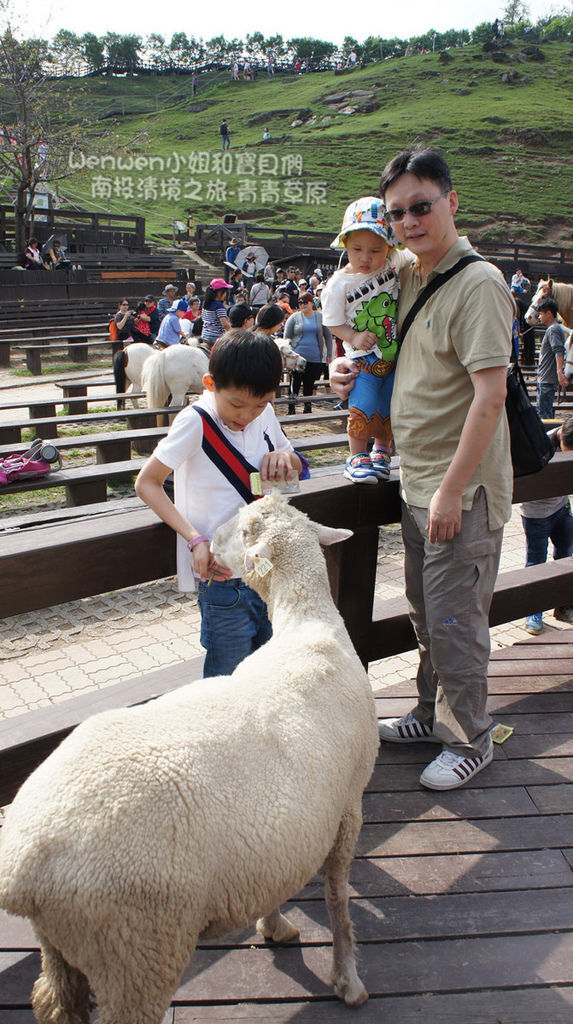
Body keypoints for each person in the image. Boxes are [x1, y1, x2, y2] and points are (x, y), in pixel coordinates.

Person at [330, 147, 514, 790]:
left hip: (458, 491)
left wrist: (452, 492)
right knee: (426, 611)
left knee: (456, 616)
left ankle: (470, 736)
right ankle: (431, 712)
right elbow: (361, 304)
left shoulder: (479, 284)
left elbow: (490, 396)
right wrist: (345, 360)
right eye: (397, 212)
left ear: (452, 203)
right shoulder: (406, 273)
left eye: (421, 207)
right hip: (415, 479)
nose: (408, 222)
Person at [134, 330, 302, 677]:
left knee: (270, 672)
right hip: (224, 578)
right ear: (210, 384)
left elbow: (295, 463)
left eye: (260, 404)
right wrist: (194, 538)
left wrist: (285, 460)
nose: (248, 415)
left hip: (266, 570)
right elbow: (147, 483)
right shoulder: (195, 421)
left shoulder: (264, 413)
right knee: (228, 681)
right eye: (237, 404)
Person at [321, 195, 410, 483]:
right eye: (357, 249)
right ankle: (356, 455)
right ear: (345, 244)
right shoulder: (339, 284)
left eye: (375, 249)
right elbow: (333, 322)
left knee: (387, 406)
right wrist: (354, 336)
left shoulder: (393, 263)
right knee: (362, 404)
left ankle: (381, 451)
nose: (365, 257)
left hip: (393, 355)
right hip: (362, 358)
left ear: (389, 246)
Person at [522, 417, 573, 634]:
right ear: (561, 435)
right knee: (536, 563)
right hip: (537, 514)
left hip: (562, 508)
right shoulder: (538, 445)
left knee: (566, 556)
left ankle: (562, 605)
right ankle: (533, 611)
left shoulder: (567, 440)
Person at [284, 291, 332, 414]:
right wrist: (287, 355)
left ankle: (307, 406)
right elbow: (286, 338)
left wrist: (329, 354)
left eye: (305, 302)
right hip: (297, 357)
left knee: (309, 384)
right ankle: (291, 408)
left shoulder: (320, 316)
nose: (302, 305)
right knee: (294, 383)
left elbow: (328, 335)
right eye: (300, 303)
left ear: (312, 303)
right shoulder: (294, 318)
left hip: (315, 356)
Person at [536, 298, 568, 419]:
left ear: (548, 313)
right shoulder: (555, 328)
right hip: (546, 378)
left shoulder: (553, 329)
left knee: (544, 414)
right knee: (543, 412)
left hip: (546, 380)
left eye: (541, 313)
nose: (539, 316)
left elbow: (558, 350)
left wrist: (559, 372)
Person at [201, 278, 233, 348]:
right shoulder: (219, 305)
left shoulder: (205, 303)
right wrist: (234, 333)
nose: (225, 294)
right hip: (216, 337)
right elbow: (225, 325)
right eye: (225, 292)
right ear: (219, 292)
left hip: (205, 335)